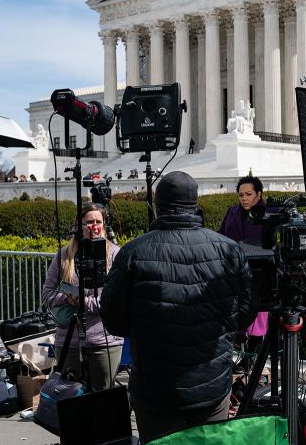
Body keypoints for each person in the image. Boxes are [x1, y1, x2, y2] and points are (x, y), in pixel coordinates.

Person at [100, 171, 256, 442]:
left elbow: (113, 320)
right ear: (195, 205)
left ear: (158, 206)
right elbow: (245, 313)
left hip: (155, 389)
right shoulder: (230, 250)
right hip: (211, 385)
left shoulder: (133, 252)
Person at [42, 202, 123, 390]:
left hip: (104, 342)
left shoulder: (114, 255)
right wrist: (68, 298)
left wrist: (83, 302)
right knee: (69, 399)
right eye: (89, 222)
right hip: (68, 339)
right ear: (78, 226)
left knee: (103, 400)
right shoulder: (64, 256)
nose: (94, 226)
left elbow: (113, 300)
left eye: (98, 221)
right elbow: (47, 294)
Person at [218, 175, 269, 369]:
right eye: (241, 195)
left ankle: (252, 359)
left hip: (259, 276)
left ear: (259, 194)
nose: (244, 199)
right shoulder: (231, 212)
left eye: (248, 194)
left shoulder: (267, 214)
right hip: (233, 275)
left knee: (257, 319)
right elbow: (221, 235)